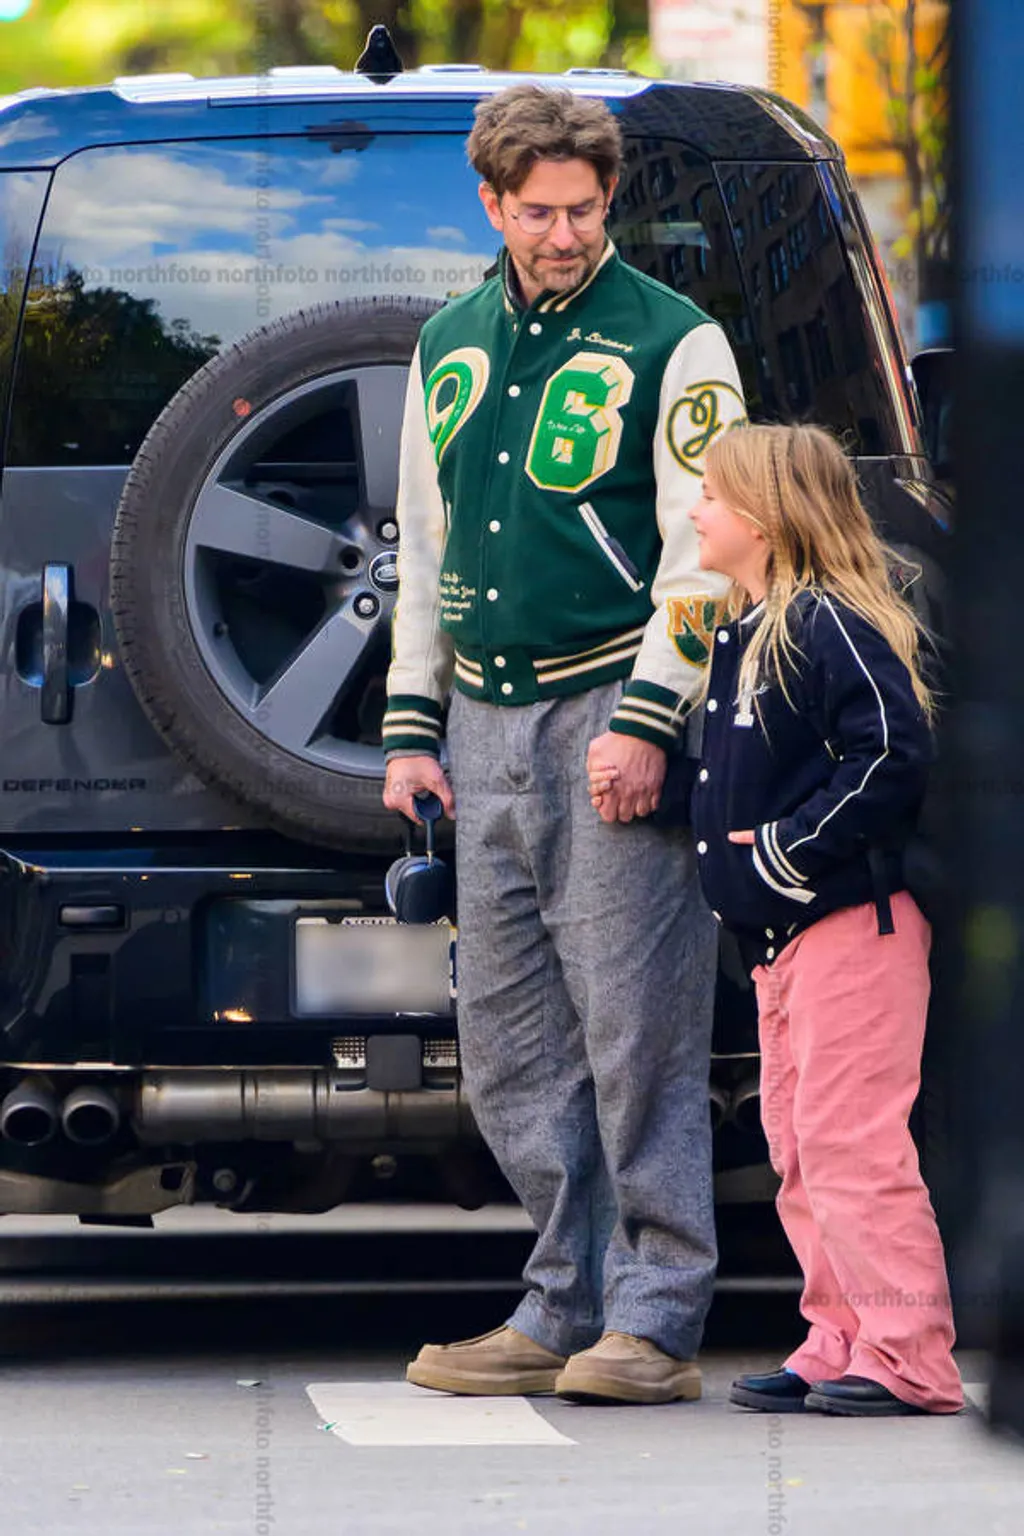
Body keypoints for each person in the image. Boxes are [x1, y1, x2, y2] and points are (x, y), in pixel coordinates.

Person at [382, 84, 746, 1405]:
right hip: (480, 715)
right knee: (509, 1037)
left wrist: (655, 716)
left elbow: (701, 550)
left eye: (583, 211)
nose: (563, 235)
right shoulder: (450, 342)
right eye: (537, 212)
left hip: (609, 702)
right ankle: (561, 1301)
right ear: (491, 204)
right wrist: (410, 726)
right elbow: (420, 549)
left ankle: (653, 1317)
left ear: (609, 202)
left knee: (638, 1029)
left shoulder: (677, 339)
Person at [596, 422, 963, 1415]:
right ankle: (836, 1335)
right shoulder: (746, 631)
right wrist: (670, 790)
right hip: (780, 941)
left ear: (762, 518)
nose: (694, 513)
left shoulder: (827, 622)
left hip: (853, 925)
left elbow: (889, 753)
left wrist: (787, 853)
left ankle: (908, 1357)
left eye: (708, 497)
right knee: (797, 1147)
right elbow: (748, 780)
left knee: (853, 1144)